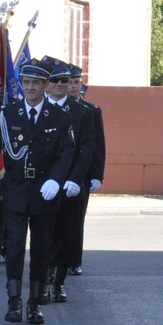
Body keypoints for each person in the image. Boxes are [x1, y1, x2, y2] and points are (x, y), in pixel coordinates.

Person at [0, 58, 75, 325]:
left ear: (45, 85)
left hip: (45, 190)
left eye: (36, 83)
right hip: (17, 189)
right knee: (16, 247)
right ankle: (14, 301)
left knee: (41, 248)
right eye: (26, 82)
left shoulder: (59, 116)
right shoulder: (8, 114)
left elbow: (67, 153)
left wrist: (56, 179)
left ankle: (35, 303)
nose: (30, 88)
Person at [40, 59, 95, 304]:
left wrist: (76, 179)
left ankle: (59, 282)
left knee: (67, 236)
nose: (60, 84)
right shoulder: (37, 108)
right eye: (55, 80)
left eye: (65, 80)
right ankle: (42, 280)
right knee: (44, 235)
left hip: (71, 186)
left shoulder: (83, 111)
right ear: (47, 84)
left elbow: (86, 149)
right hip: (43, 185)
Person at [64, 68, 106, 276]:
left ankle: (74, 260)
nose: (73, 85)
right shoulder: (55, 109)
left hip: (82, 174)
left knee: (76, 220)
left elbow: (97, 146)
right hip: (58, 174)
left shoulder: (91, 111)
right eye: (69, 81)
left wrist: (97, 175)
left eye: (76, 82)